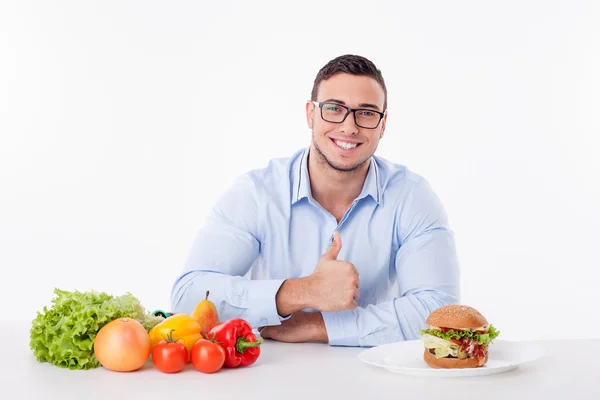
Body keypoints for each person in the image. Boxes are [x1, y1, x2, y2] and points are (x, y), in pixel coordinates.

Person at [171, 54, 460, 347]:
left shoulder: (412, 197)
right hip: (265, 374)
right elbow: (188, 295)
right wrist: (301, 292)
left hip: (372, 373)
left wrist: (321, 326)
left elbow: (439, 312)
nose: (349, 127)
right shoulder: (256, 193)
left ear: (383, 125)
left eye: (367, 113)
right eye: (334, 109)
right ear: (311, 113)